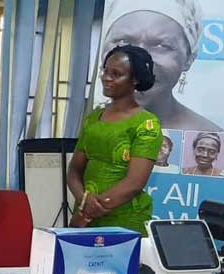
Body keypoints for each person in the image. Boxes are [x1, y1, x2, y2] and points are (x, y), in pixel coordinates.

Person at [101, 0, 222, 132]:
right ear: (104, 50)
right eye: (124, 41)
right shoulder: (94, 122)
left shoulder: (208, 135)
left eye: (161, 45)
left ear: (188, 59)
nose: (139, 60)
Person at [68, 45, 162, 236]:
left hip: (124, 222)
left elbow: (134, 183)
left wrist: (91, 209)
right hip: (84, 219)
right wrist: (84, 203)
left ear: (135, 80)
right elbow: (74, 170)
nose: (106, 77)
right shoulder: (93, 119)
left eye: (116, 73)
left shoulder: (147, 124)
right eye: (106, 71)